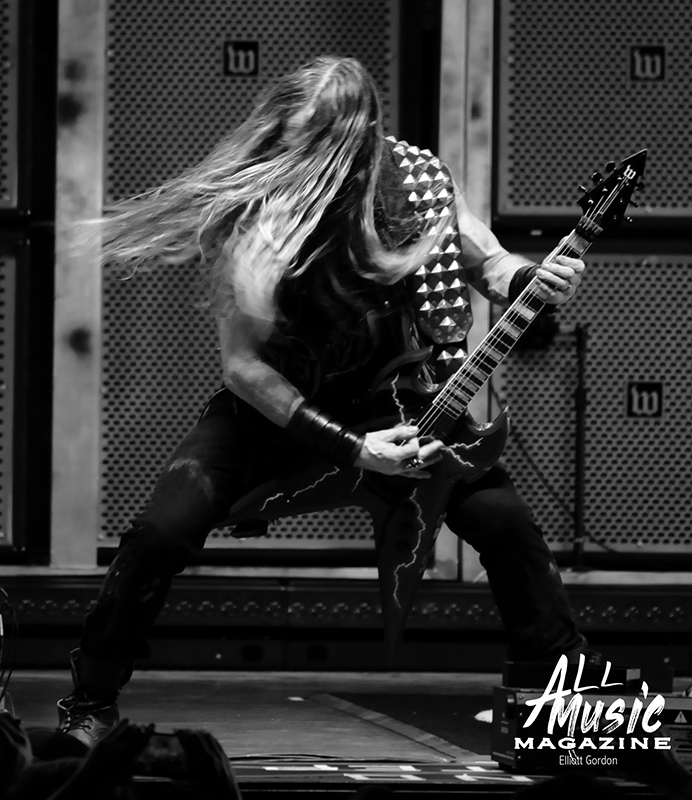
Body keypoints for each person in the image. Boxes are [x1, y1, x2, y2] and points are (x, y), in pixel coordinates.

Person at [57, 55, 592, 748]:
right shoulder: (260, 209)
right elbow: (243, 366)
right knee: (163, 528)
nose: (306, 159)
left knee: (506, 525)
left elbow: (484, 259)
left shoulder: (415, 179)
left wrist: (526, 277)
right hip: (278, 409)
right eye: (297, 140)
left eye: (322, 143)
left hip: (400, 403)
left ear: (361, 138)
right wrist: (352, 449)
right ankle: (91, 700)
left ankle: (561, 706)